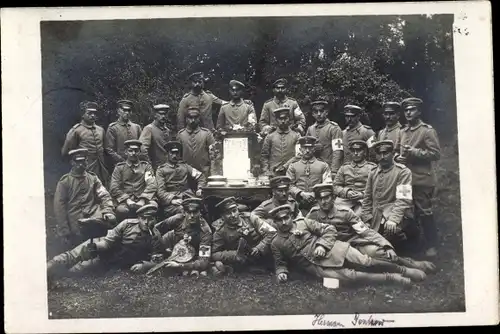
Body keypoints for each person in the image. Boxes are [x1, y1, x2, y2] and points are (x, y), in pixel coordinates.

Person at [269, 204, 427, 287]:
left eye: (286, 218)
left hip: (334, 249)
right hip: (316, 266)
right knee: (350, 277)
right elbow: (280, 262)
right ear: (274, 222)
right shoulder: (276, 242)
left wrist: (322, 245)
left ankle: (404, 269)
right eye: (279, 220)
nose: (284, 222)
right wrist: (281, 272)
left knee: (366, 261)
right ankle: (391, 278)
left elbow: (329, 230)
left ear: (291, 217)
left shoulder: (303, 222)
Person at [306, 184, 436, 273]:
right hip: (333, 248)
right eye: (320, 198)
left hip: (354, 243)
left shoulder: (345, 212)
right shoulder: (313, 214)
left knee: (377, 253)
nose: (324, 202)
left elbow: (366, 232)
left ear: (334, 198)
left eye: (327, 197)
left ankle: (411, 264)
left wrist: (386, 245)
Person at [47, 203, 167, 279]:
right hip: (106, 248)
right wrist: (95, 247)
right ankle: (50, 266)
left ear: (154, 219)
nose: (146, 222)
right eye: (143, 218)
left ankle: (55, 274)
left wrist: (144, 266)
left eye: (150, 219)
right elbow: (107, 243)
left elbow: (157, 261)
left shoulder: (155, 236)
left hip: (113, 261)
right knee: (77, 254)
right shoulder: (127, 224)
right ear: (138, 218)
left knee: (74, 272)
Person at [397, 97, 441, 258]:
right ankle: (413, 243)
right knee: (404, 211)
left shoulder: (427, 131)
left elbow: (436, 154)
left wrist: (415, 153)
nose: (408, 113)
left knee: (424, 212)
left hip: (421, 179)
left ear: (419, 112)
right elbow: (396, 151)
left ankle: (432, 244)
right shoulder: (402, 131)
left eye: (412, 109)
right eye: (406, 110)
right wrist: (397, 158)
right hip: (403, 180)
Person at [360, 140, 420, 253]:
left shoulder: (403, 172)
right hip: (376, 214)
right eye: (379, 154)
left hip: (396, 212)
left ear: (392, 154)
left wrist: (393, 219)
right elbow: (367, 198)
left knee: (391, 232)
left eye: (386, 153)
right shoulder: (373, 172)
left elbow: (403, 199)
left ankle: (408, 246)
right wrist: (366, 218)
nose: (382, 157)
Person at [53, 148, 116, 248]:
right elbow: (59, 207)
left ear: (87, 161)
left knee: (108, 225)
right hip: (75, 216)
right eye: (78, 161)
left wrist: (107, 210)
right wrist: (64, 230)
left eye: (83, 161)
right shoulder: (65, 182)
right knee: (77, 238)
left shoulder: (93, 178)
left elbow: (104, 195)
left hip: (93, 213)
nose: (81, 164)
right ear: (72, 163)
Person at [211, 197, 277, 275]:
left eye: (234, 211)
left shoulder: (250, 218)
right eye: (228, 213)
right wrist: (235, 255)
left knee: (275, 242)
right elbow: (214, 253)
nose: (233, 215)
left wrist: (259, 248)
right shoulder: (220, 231)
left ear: (238, 210)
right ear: (222, 216)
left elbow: (272, 232)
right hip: (240, 258)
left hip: (260, 252)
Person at [154, 198, 213, 276]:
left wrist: (181, 265)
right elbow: (156, 229)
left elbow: (203, 262)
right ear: (184, 212)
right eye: (189, 212)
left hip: (191, 256)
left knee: (200, 268)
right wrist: (161, 247)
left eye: (195, 212)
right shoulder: (177, 219)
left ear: (200, 213)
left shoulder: (205, 232)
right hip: (171, 244)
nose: (192, 216)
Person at [61, 101, 110, 187]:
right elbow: (65, 152)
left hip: (101, 169)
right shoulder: (76, 131)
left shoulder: (100, 130)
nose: (92, 115)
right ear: (83, 115)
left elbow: (106, 149)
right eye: (89, 113)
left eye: (94, 113)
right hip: (85, 168)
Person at [109, 140, 158, 221]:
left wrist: (142, 200)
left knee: (152, 207)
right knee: (122, 211)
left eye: (136, 151)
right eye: (130, 151)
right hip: (125, 201)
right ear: (125, 152)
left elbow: (152, 184)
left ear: (139, 152)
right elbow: (114, 187)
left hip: (144, 199)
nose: (133, 153)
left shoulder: (146, 166)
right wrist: (127, 200)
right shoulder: (119, 168)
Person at [156, 141, 206, 218]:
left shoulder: (185, 166)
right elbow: (160, 191)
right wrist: (172, 200)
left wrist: (199, 188)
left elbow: (200, 176)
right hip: (173, 201)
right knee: (183, 210)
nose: (174, 155)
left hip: (188, 196)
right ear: (167, 154)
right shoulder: (161, 170)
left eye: (177, 153)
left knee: (202, 208)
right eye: (172, 153)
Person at [286, 136, 332, 213]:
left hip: (317, 201)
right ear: (300, 149)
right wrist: (301, 193)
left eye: (310, 148)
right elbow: (289, 185)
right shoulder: (293, 166)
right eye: (304, 148)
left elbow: (327, 184)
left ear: (314, 149)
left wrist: (315, 194)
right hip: (297, 201)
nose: (307, 151)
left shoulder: (323, 166)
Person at [333, 140, 376, 215]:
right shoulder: (344, 168)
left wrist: (362, 194)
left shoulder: (372, 168)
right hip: (345, 200)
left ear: (364, 152)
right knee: (335, 214)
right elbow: (335, 186)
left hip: (364, 200)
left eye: (358, 150)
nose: (355, 153)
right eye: (353, 151)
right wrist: (346, 192)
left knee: (359, 216)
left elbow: (377, 188)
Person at [306, 100, 344, 179]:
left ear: (326, 112)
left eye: (321, 111)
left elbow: (338, 151)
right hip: (313, 168)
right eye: (316, 111)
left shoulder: (334, 128)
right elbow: (305, 149)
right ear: (313, 114)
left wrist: (334, 171)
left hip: (328, 168)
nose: (319, 114)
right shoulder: (310, 129)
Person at [176, 107, 216, 178]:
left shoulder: (206, 134)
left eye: (195, 117)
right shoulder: (181, 135)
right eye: (190, 118)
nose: (193, 120)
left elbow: (214, 155)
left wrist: (212, 172)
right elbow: (177, 157)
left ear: (199, 118)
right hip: (186, 175)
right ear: (186, 119)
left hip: (204, 173)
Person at [260, 107, 301, 176]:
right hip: (273, 173)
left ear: (289, 119)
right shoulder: (270, 136)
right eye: (280, 119)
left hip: (291, 173)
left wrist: (286, 166)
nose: (283, 121)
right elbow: (264, 156)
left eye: (285, 118)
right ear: (276, 120)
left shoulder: (296, 136)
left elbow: (299, 155)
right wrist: (266, 171)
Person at [104, 99, 142, 166]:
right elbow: (109, 149)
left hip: (136, 164)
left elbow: (141, 146)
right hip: (120, 164)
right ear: (118, 111)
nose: (127, 113)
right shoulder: (113, 128)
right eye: (124, 110)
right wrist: (121, 160)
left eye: (129, 110)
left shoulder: (136, 127)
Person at [139, 103, 173, 170]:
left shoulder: (167, 130)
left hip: (168, 168)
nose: (163, 116)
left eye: (165, 114)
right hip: (155, 168)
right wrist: (149, 165)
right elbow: (142, 149)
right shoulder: (149, 129)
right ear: (155, 115)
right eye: (160, 114)